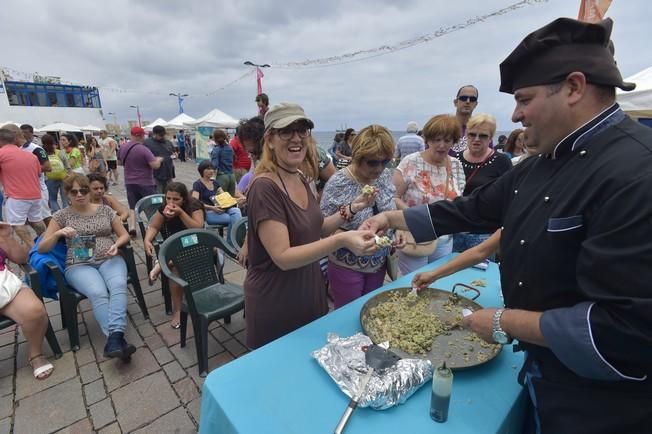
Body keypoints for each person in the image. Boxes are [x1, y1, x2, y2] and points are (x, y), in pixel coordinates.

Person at [361, 17, 652, 433]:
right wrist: (391, 216)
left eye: (523, 99)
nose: (515, 115)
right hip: (544, 371)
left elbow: (622, 329)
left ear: (573, 87)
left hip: (602, 406)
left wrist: (502, 321)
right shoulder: (542, 163)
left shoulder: (636, 172)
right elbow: (471, 209)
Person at [244, 103, 377, 348]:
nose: (296, 138)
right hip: (275, 302)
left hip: (308, 294)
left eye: (302, 131)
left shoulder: (300, 177)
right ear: (270, 140)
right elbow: (283, 257)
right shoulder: (264, 187)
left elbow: (318, 228)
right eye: (286, 131)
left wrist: (353, 208)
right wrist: (341, 240)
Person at [38, 173, 136, 360]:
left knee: (118, 286)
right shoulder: (61, 216)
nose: (79, 195)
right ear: (67, 194)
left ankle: (114, 339)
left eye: (83, 190)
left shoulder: (104, 210)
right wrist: (58, 233)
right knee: (98, 292)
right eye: (74, 192)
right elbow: (43, 248)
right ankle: (117, 339)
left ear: (89, 191)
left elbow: (124, 235)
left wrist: (117, 245)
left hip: (109, 258)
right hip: (79, 264)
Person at [320, 124, 403, 308]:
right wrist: (352, 233)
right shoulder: (339, 182)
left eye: (385, 161)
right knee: (349, 313)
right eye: (372, 162)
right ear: (357, 156)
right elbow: (324, 229)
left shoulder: (384, 176)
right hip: (346, 266)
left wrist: (396, 231)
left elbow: (390, 206)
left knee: (371, 309)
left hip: (378, 264)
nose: (379, 168)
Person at [392, 114, 466, 275]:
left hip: (444, 236)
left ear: (454, 141)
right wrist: (416, 216)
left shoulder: (456, 165)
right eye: (436, 139)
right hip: (413, 234)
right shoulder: (411, 162)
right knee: (410, 281)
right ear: (428, 140)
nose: (441, 145)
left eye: (447, 140)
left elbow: (459, 199)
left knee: (437, 280)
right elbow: (394, 196)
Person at [144, 182, 205, 328]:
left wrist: (181, 213)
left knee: (176, 262)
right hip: (176, 249)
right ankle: (177, 310)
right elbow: (154, 226)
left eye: (176, 199)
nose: (171, 202)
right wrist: (147, 239)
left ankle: (161, 264)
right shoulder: (164, 208)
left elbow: (198, 228)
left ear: (184, 199)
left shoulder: (194, 206)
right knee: (176, 268)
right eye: (168, 198)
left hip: (196, 244)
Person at [0, 223, 54, 379]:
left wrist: (7, 237)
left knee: (34, 311)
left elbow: (22, 258)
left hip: (3, 286)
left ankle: (35, 354)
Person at [453, 114, 512, 254]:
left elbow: (509, 198)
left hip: (484, 234)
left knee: (480, 275)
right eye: (472, 134)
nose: (477, 139)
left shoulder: (501, 161)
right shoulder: (454, 159)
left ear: (491, 138)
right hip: (454, 230)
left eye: (483, 136)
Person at [0, 128, 46, 246]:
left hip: (16, 196)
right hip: (35, 194)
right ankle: (46, 243)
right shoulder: (31, 156)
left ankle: (34, 250)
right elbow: (39, 173)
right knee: (37, 221)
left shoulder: (2, 154)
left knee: (17, 225)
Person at [118, 126, 162, 237]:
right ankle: (153, 227)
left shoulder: (123, 147)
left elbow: (119, 163)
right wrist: (159, 160)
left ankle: (132, 227)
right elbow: (155, 165)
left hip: (129, 182)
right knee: (151, 205)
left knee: (132, 205)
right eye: (143, 135)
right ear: (139, 135)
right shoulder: (143, 149)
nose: (144, 138)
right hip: (145, 182)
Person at [191, 160, 243, 232]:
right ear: (202, 170)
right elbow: (194, 201)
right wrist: (212, 208)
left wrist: (235, 201)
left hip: (220, 209)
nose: (211, 171)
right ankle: (234, 240)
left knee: (236, 210)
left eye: (212, 169)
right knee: (235, 219)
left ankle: (233, 240)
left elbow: (224, 196)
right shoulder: (197, 184)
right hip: (208, 212)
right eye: (208, 169)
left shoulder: (215, 183)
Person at [16, 125, 51, 224]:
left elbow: (48, 167)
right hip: (24, 188)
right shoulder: (18, 148)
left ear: (31, 133)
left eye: (25, 132)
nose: (22, 135)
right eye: (21, 132)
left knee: (45, 216)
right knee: (30, 219)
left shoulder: (36, 149)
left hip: (38, 188)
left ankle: (55, 235)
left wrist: (28, 169)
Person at [41, 134, 70, 211]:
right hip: (63, 177)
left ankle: (58, 216)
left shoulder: (42, 153)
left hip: (49, 179)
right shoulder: (59, 152)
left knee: (52, 199)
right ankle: (67, 216)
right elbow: (67, 165)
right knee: (65, 199)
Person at [144, 125, 175, 194]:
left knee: (170, 193)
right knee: (158, 195)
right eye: (160, 135)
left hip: (168, 172)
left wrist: (175, 154)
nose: (163, 136)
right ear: (154, 134)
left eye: (163, 135)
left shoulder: (168, 142)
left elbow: (173, 152)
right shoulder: (146, 143)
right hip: (155, 174)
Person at [449, 85, 479, 155]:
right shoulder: (442, 128)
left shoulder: (482, 130)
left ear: (476, 104)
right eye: (463, 98)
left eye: (472, 99)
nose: (468, 101)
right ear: (455, 102)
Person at [210, 129, 236, 196]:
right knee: (231, 200)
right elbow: (234, 159)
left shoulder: (216, 149)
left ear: (215, 139)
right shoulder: (230, 148)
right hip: (232, 176)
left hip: (222, 177)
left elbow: (214, 165)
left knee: (221, 201)